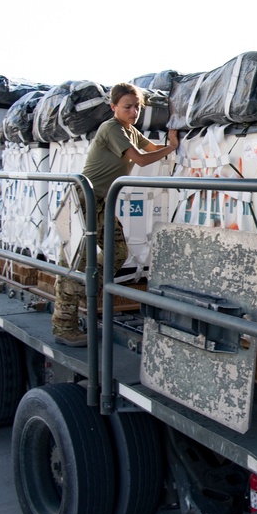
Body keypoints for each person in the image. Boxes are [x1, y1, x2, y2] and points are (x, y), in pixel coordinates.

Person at [53, 83, 179, 347]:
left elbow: (150, 146)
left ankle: (86, 286)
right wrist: (172, 147)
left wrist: (171, 141)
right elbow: (142, 159)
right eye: (127, 107)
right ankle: (65, 328)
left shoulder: (129, 130)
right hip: (84, 200)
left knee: (119, 252)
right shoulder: (111, 128)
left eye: (137, 107)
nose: (133, 112)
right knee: (77, 264)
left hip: (102, 201)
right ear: (113, 107)